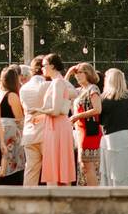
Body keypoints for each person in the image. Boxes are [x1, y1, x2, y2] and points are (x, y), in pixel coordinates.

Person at [35, 54, 76, 185]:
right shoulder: (56, 82)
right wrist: (41, 116)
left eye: (44, 65)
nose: (42, 68)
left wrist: (36, 110)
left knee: (59, 166)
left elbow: (55, 110)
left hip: (58, 127)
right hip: (55, 125)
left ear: (52, 66)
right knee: (57, 165)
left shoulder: (58, 82)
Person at [98, 68, 128, 186]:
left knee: (112, 170)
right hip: (127, 135)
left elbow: (100, 121)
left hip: (110, 138)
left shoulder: (103, 99)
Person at [68, 62, 103, 186]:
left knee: (88, 165)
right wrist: (68, 73)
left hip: (89, 131)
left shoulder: (93, 88)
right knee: (83, 165)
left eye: (80, 73)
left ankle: (93, 195)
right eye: (76, 74)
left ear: (87, 73)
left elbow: (97, 109)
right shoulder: (80, 90)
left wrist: (77, 116)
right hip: (80, 130)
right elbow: (64, 89)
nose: (77, 76)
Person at [0, 65, 26, 185]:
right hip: (10, 132)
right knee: (12, 163)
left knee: (1, 161)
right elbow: (19, 118)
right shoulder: (12, 96)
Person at [19, 55, 48, 186]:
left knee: (31, 170)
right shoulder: (48, 85)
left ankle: (27, 199)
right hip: (46, 132)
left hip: (29, 132)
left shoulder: (23, 88)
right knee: (50, 170)